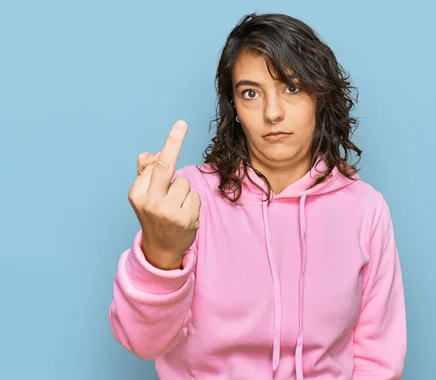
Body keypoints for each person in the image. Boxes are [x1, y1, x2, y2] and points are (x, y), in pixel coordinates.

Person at [109, 12, 407, 380]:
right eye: (251, 93)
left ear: (321, 96)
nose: (272, 113)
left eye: (292, 88)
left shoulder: (365, 209)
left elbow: (378, 360)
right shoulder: (186, 201)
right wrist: (161, 253)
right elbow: (143, 342)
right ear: (234, 108)